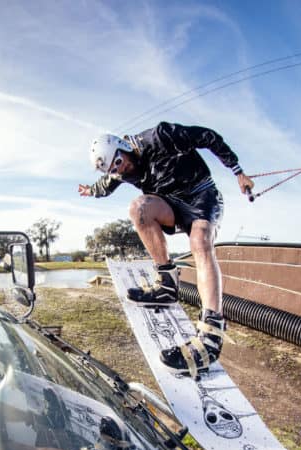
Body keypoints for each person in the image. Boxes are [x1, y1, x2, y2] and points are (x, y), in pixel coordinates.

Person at [78, 122, 255, 375]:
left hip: (201, 196)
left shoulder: (160, 137)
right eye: (114, 170)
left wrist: (238, 171)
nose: (122, 170)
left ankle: (211, 333)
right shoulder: (119, 172)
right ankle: (167, 283)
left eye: (119, 162)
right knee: (138, 208)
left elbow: (208, 136)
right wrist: (90, 191)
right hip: (171, 206)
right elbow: (105, 185)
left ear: (123, 147)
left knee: (200, 241)